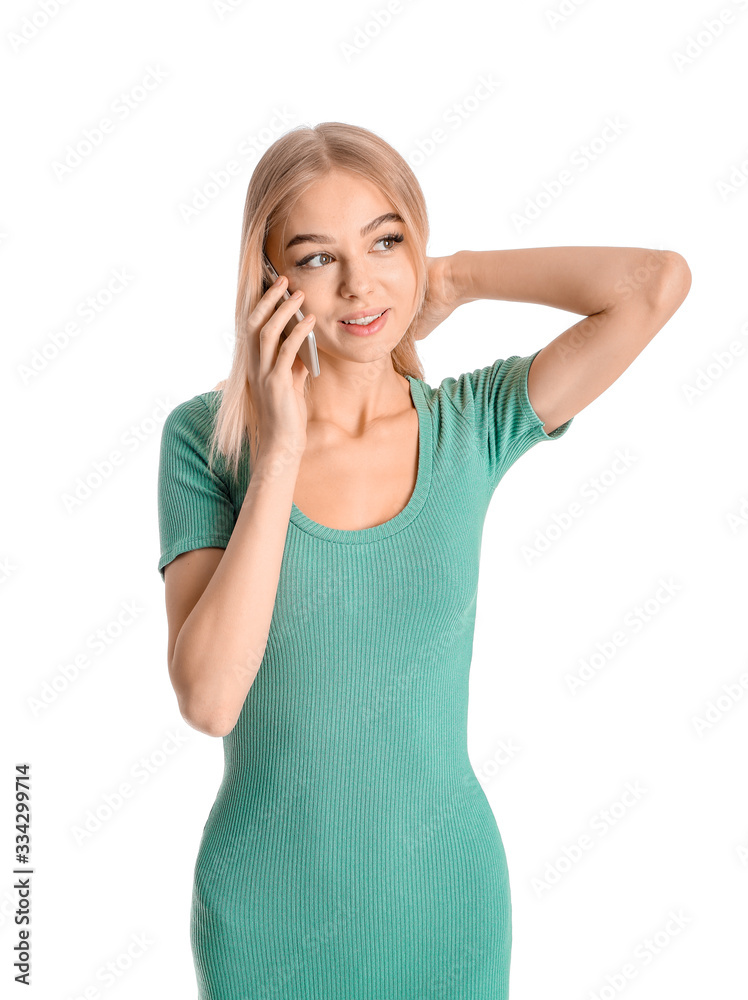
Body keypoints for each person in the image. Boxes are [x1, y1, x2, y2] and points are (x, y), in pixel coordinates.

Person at [156, 121, 691, 999]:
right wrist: (281, 449)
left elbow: (655, 284)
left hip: (446, 912)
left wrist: (457, 278)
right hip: (266, 922)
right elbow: (210, 700)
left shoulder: (471, 425)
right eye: (318, 258)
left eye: (385, 241)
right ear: (270, 280)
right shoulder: (209, 440)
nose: (359, 283)